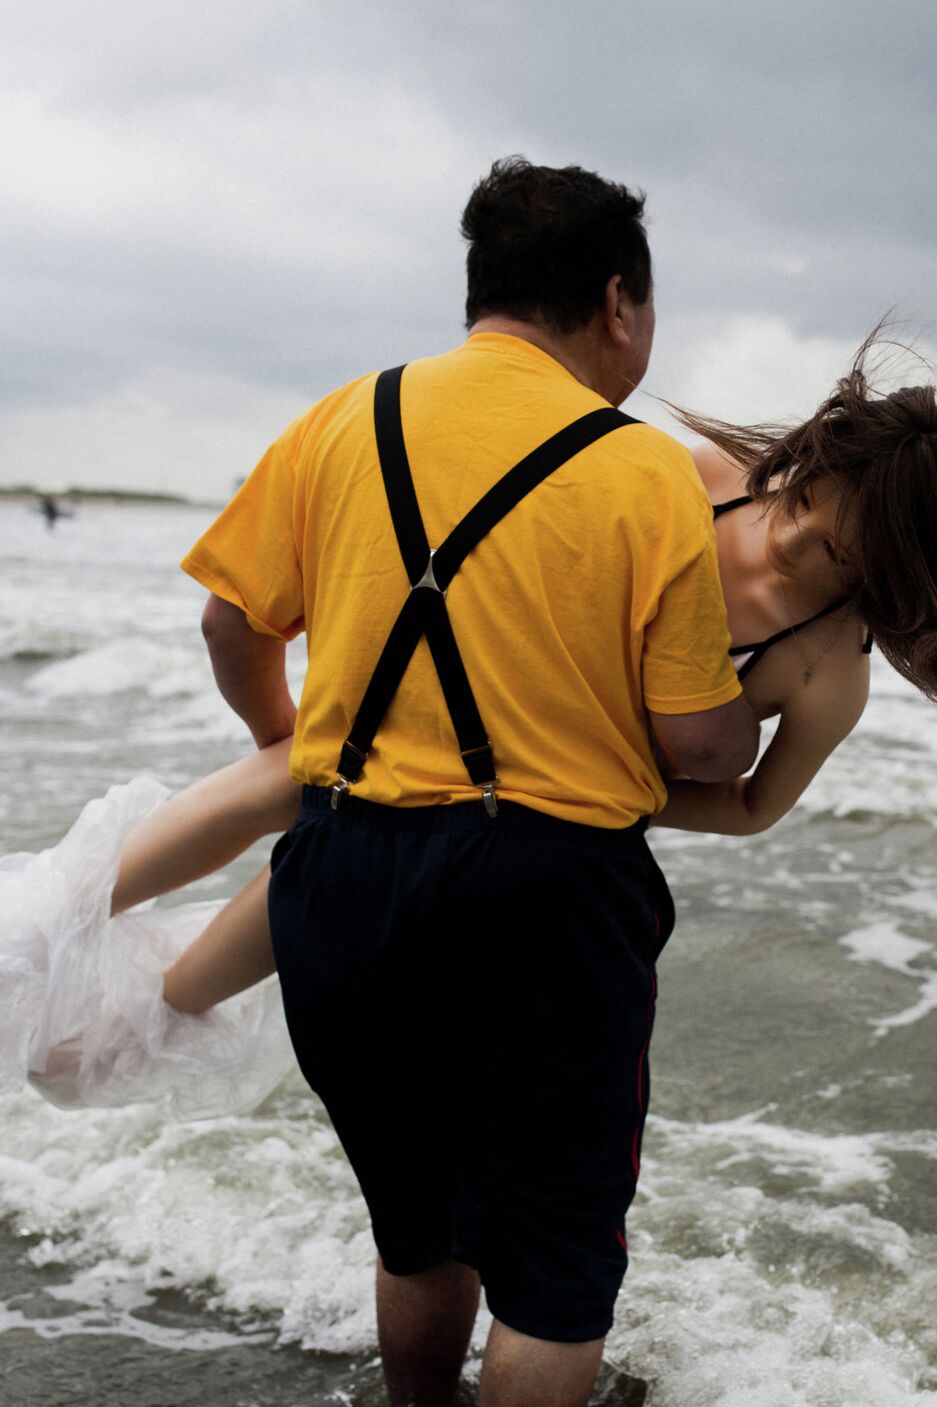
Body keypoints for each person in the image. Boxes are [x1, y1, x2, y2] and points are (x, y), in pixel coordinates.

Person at [189, 156, 758, 1407]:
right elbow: (699, 743)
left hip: (340, 876)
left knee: (419, 1217)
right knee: (554, 1273)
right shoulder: (644, 470)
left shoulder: (347, 416)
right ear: (617, 301)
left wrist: (288, 748)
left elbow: (232, 625)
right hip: (545, 892)